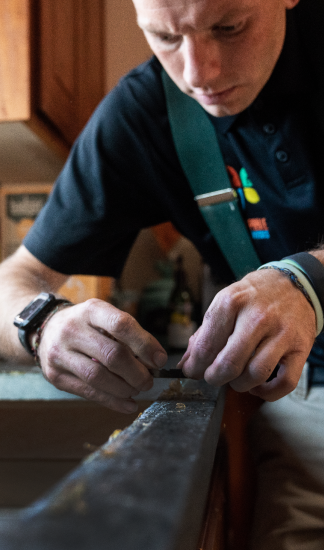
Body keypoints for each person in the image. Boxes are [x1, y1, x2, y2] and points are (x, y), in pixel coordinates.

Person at [1, 0, 324, 546]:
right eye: (166, 37)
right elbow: (13, 280)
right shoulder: (142, 115)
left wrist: (308, 280)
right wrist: (41, 325)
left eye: (230, 27)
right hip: (306, 398)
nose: (200, 74)